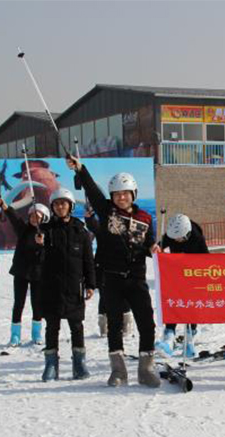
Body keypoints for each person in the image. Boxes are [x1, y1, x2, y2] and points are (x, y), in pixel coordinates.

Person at [66, 155, 161, 387]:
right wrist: (81, 169)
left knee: (146, 323)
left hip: (137, 278)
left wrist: (153, 247)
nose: (121, 197)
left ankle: (146, 369)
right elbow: (92, 189)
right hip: (111, 278)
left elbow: (149, 241)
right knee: (114, 325)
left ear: (134, 194)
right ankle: (118, 371)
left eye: (126, 193)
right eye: (117, 194)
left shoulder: (145, 217)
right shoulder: (106, 211)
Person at [40, 188, 95, 381]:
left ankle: (79, 364)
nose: (60, 207)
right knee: (51, 327)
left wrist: (91, 284)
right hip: (52, 287)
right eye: (56, 204)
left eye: (64, 203)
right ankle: (51, 364)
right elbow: (37, 259)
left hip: (74, 287)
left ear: (70, 206)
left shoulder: (81, 231)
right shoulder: (45, 230)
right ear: (52, 207)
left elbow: (88, 260)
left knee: (76, 326)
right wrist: (39, 244)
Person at [155, 213, 209, 358]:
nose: (177, 241)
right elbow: (159, 247)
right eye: (174, 239)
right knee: (175, 303)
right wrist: (157, 249)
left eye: (180, 239)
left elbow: (207, 260)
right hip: (177, 275)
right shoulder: (172, 234)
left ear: (187, 233)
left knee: (191, 305)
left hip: (194, 276)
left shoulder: (197, 238)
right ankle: (169, 335)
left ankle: (190, 336)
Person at [0, 197, 49, 347]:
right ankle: (15, 335)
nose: (34, 219)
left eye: (38, 217)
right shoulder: (23, 229)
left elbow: (46, 256)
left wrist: (42, 244)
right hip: (21, 272)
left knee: (37, 303)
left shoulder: (46, 234)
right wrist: (5, 207)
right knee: (18, 303)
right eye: (32, 216)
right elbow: (14, 218)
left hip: (38, 274)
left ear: (44, 219)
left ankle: (36, 333)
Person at [84, 203, 133, 337]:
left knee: (124, 295)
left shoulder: (127, 227)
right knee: (105, 296)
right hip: (103, 267)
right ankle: (103, 326)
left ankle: (126, 324)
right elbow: (94, 226)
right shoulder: (103, 228)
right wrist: (89, 217)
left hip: (123, 267)